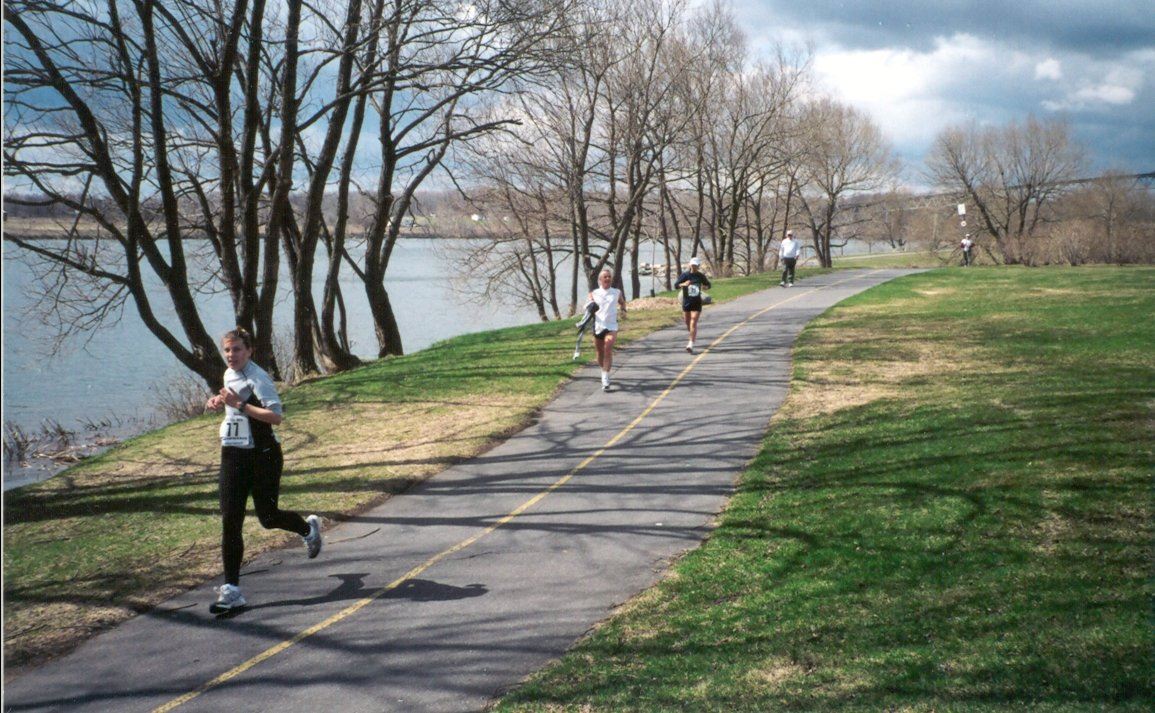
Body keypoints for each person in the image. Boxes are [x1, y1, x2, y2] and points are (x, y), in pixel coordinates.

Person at [204, 327, 322, 613]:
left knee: (268, 518)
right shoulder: (228, 373)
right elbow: (234, 406)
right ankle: (231, 591)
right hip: (232, 455)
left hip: (264, 456)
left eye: (237, 350)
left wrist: (240, 405)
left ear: (250, 351)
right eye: (227, 350)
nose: (231, 355)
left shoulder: (259, 377)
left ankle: (308, 529)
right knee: (230, 520)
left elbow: (276, 416)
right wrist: (219, 402)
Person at [588, 268, 627, 391]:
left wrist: (623, 310)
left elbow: (622, 302)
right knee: (600, 352)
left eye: (609, 276)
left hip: (611, 326)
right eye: (605, 277)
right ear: (600, 280)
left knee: (608, 347)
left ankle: (605, 377)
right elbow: (587, 307)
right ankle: (603, 369)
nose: (607, 278)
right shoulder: (593, 293)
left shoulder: (616, 292)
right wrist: (590, 306)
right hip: (598, 326)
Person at [674, 256, 712, 354]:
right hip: (686, 302)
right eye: (692, 265)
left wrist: (705, 287)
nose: (694, 267)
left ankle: (690, 344)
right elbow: (676, 285)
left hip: (696, 302)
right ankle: (692, 335)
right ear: (690, 265)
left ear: (698, 266)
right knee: (687, 322)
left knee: (693, 321)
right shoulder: (685, 275)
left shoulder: (700, 276)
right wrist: (684, 284)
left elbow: (708, 285)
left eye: (696, 265)